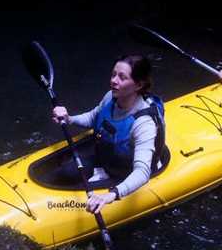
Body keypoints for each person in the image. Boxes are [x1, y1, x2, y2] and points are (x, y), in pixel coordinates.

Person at [52, 55, 165, 215]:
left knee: (68, 173)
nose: (114, 81)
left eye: (122, 77)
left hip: (124, 172)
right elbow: (93, 117)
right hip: (107, 157)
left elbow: (142, 172)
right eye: (113, 74)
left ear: (138, 85)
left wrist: (110, 195)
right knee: (66, 172)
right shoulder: (111, 96)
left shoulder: (143, 123)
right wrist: (69, 119)